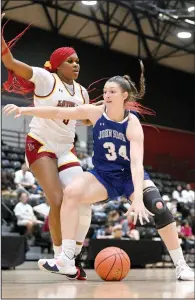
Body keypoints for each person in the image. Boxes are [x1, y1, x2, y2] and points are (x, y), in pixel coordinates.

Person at [3, 63, 194, 281]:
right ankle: (66, 259)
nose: (107, 94)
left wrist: (138, 198)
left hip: (129, 177)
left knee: (159, 207)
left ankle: (181, 265)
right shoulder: (95, 112)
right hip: (103, 176)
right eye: (105, 91)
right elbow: (58, 111)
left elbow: (136, 163)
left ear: (124, 95)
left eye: (112, 91)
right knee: (72, 192)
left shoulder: (132, 123)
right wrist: (24, 109)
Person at [2, 13, 92, 280]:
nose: (76, 65)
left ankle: (71, 256)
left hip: (66, 149)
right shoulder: (44, 78)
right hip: (40, 145)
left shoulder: (83, 92)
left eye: (77, 61)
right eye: (70, 61)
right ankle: (58, 256)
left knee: (83, 200)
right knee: (57, 199)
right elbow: (9, 61)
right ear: (57, 64)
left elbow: (87, 118)